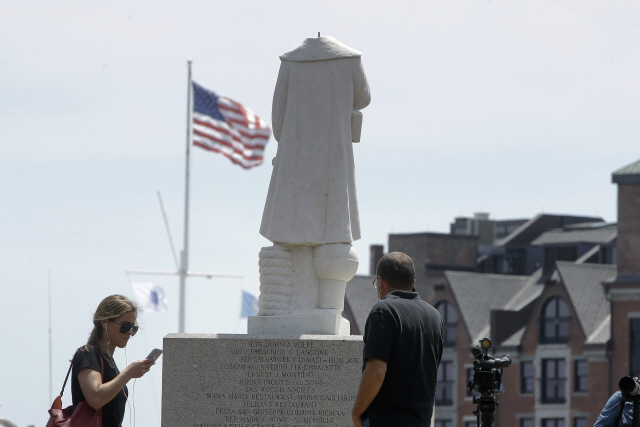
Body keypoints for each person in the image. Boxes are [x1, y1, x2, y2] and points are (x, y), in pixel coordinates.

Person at [352, 252, 444, 427]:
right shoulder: (434, 316)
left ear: (380, 282)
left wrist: (357, 413)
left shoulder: (383, 311)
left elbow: (377, 371)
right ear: (412, 282)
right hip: (421, 421)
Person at [71, 295, 155, 427]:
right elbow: (96, 399)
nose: (129, 332)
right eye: (125, 326)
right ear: (104, 323)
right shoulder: (87, 353)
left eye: (133, 328)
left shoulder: (108, 361)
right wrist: (128, 373)